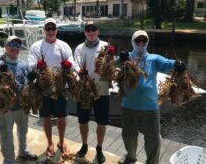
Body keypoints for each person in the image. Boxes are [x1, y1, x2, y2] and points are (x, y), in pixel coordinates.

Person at [118, 30, 186, 164]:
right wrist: (120, 59)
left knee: (153, 139)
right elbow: (112, 65)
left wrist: (178, 64)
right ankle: (131, 157)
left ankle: (152, 162)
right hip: (129, 106)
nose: (141, 43)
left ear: (147, 42)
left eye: (144, 40)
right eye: (138, 40)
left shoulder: (154, 58)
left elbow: (169, 63)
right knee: (128, 136)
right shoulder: (126, 57)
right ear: (133, 42)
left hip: (150, 107)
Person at [28, 18, 77, 157]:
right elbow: (29, 65)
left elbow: (72, 63)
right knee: (46, 117)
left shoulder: (64, 45)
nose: (50, 31)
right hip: (43, 87)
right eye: (48, 28)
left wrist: (68, 64)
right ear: (44, 30)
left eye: (53, 28)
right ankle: (49, 142)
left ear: (56, 30)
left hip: (60, 86)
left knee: (62, 116)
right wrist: (37, 64)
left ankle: (61, 142)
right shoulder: (36, 46)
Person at [0, 36, 38, 164]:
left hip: (22, 105)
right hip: (6, 108)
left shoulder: (23, 64)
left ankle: (23, 151)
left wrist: (31, 79)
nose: (15, 48)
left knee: (23, 131)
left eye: (18, 46)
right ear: (6, 47)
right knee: (6, 135)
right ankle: (9, 160)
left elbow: (26, 85)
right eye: (12, 45)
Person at [74, 21, 110, 164]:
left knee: (101, 121)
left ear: (98, 30)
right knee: (83, 120)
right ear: (85, 32)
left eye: (93, 29)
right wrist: (79, 71)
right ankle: (84, 145)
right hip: (84, 89)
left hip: (102, 89)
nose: (91, 32)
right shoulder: (79, 48)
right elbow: (76, 63)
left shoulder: (106, 46)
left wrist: (113, 57)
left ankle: (99, 148)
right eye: (88, 30)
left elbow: (111, 65)